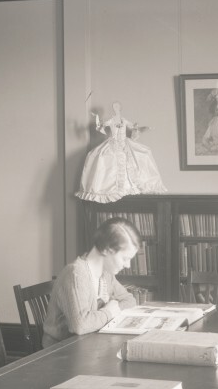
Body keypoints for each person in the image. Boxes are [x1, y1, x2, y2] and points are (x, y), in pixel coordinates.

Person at [41, 217, 141, 346]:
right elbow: (80, 325)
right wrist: (109, 312)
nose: (128, 265)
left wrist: (110, 309)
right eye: (125, 258)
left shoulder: (106, 273)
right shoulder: (76, 274)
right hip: (60, 350)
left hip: (87, 344)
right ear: (106, 250)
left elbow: (129, 300)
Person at [76, 102, 167, 203]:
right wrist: (97, 119)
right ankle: (107, 189)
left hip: (125, 143)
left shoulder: (124, 120)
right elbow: (102, 126)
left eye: (117, 107)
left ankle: (132, 186)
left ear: (120, 108)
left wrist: (142, 128)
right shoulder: (111, 120)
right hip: (113, 143)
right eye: (114, 107)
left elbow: (133, 127)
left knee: (143, 154)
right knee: (102, 158)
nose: (116, 108)